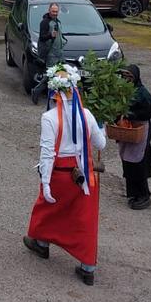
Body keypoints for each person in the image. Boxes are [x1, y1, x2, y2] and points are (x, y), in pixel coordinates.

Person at [23, 63, 107, 286]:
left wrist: (46, 182)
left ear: (53, 92)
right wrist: (102, 126)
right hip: (85, 176)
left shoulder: (49, 118)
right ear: (74, 89)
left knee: (47, 208)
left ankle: (41, 244)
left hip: (60, 175)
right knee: (84, 219)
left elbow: (48, 153)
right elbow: (101, 143)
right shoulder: (87, 115)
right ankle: (87, 267)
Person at [118, 65, 151, 209]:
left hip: (140, 130)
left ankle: (144, 195)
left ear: (136, 77)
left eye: (130, 77)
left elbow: (147, 113)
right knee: (127, 161)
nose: (127, 79)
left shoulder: (143, 93)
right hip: (127, 130)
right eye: (125, 76)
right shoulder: (122, 91)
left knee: (138, 162)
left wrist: (130, 115)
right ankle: (132, 193)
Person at [31, 3, 66, 104]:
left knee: (60, 74)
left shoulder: (57, 21)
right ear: (49, 10)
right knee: (49, 76)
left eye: (56, 11)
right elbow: (42, 37)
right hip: (50, 54)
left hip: (59, 52)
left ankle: (57, 96)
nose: (55, 13)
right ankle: (36, 91)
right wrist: (50, 35)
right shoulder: (45, 22)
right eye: (53, 11)